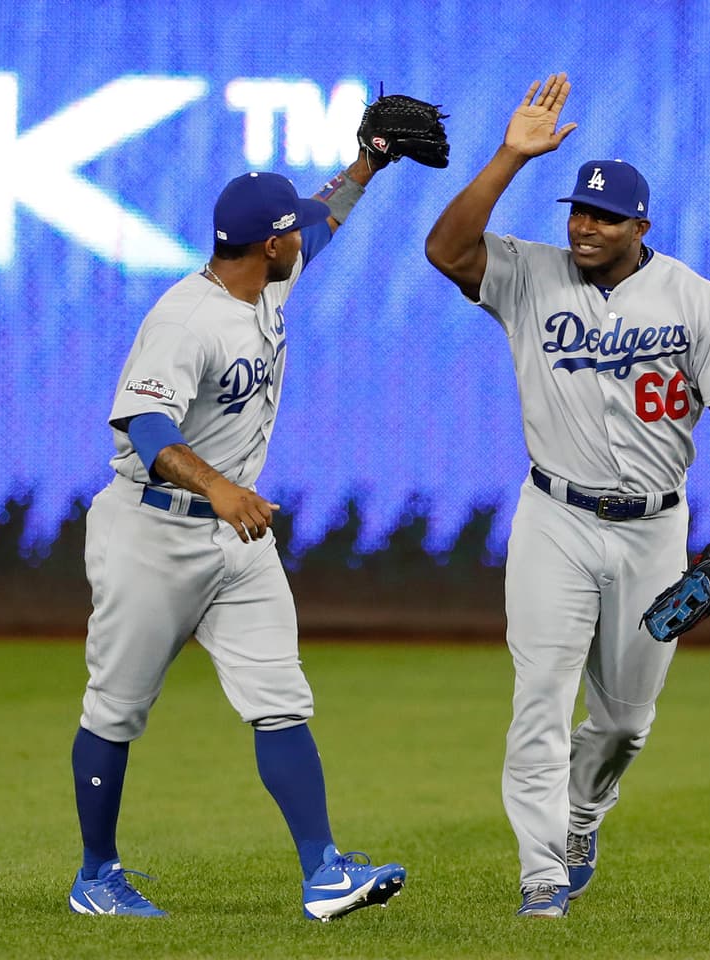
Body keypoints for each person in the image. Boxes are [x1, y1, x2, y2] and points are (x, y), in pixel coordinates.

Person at [424, 73, 710, 918]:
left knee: (624, 722)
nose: (586, 225)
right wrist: (510, 155)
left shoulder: (692, 298)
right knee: (539, 697)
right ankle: (540, 872)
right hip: (556, 518)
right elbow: (445, 251)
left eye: (606, 216)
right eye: (578, 210)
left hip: (656, 531)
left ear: (640, 227)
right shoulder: (529, 274)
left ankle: (582, 816)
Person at [68, 144, 435, 920]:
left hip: (237, 537)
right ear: (269, 244)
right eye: (291, 230)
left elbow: (325, 219)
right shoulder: (185, 318)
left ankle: (325, 872)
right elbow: (144, 424)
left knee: (280, 699)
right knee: (115, 709)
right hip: (150, 532)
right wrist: (219, 486)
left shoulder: (263, 281)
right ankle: (96, 876)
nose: (304, 235)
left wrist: (367, 166)